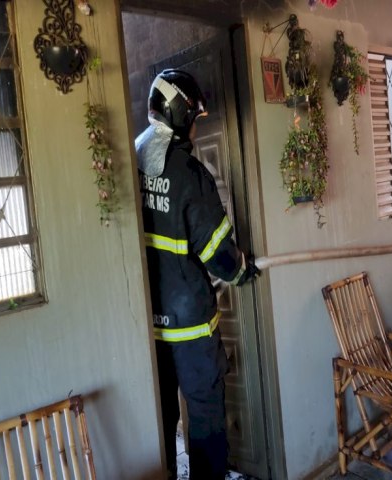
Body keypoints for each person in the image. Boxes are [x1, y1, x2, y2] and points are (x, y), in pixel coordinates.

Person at [135, 69, 260, 480]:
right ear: (181, 115)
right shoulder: (189, 174)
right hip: (189, 330)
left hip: (145, 331)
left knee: (159, 422)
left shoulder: (130, 157)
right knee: (205, 422)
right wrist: (242, 270)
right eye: (194, 117)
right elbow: (218, 255)